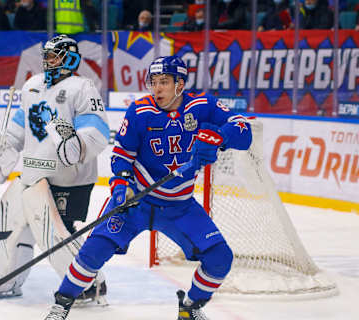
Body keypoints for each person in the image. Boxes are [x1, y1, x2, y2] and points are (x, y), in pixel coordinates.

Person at [43, 55, 252, 320]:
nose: (157, 88)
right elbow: (122, 155)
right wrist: (120, 186)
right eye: (153, 82)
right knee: (93, 252)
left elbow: (244, 131)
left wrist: (219, 137)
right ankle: (61, 305)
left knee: (221, 258)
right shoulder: (140, 112)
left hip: (180, 206)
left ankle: (189, 308)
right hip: (135, 203)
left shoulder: (202, 106)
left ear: (180, 83)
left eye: (164, 81)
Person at [0, 34, 110, 304]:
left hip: (69, 180)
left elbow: (97, 130)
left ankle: (90, 283)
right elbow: (18, 128)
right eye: (47, 56)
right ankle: (5, 277)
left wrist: (77, 145)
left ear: (69, 58)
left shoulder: (82, 87)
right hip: (32, 175)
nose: (48, 61)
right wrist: (2, 154)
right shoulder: (32, 85)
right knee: (9, 225)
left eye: (54, 56)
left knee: (55, 235)